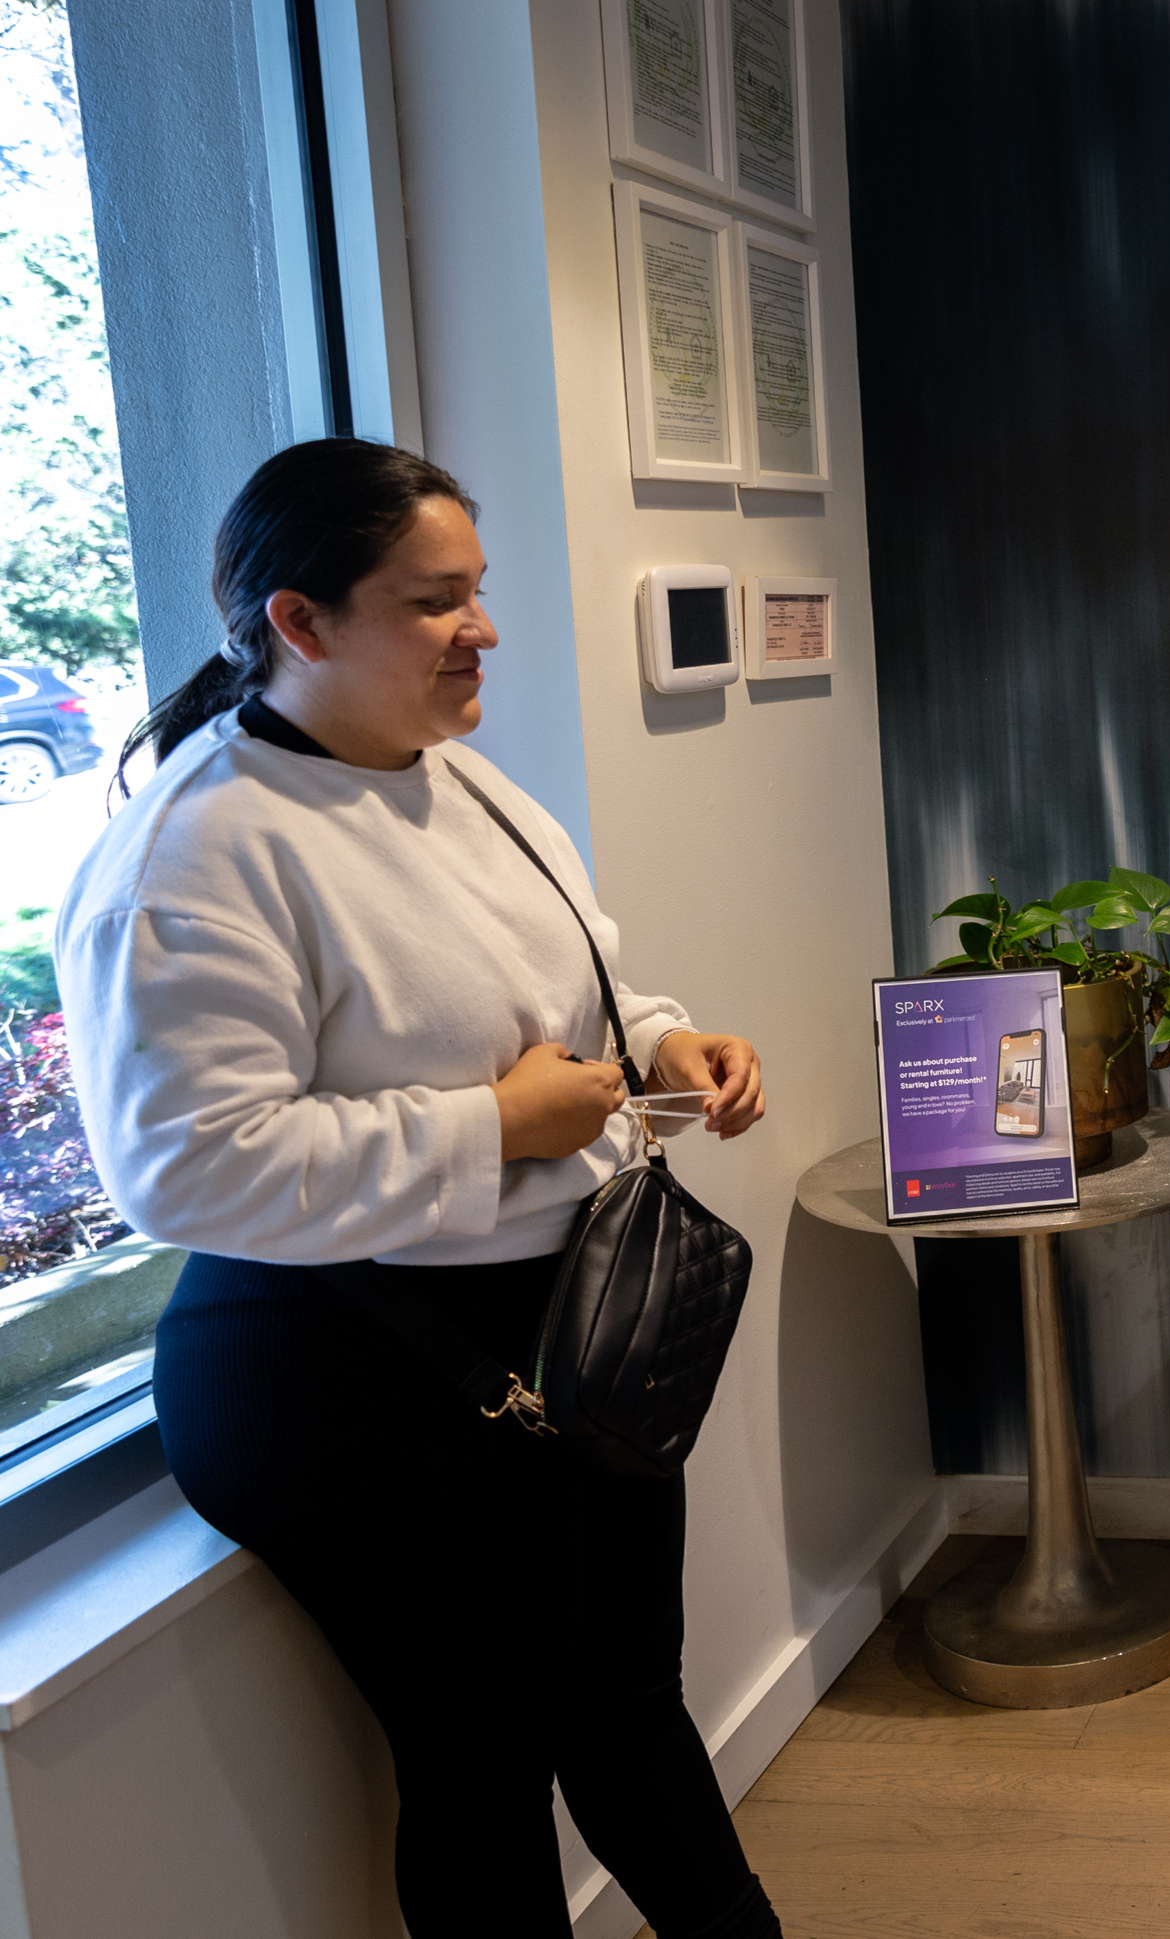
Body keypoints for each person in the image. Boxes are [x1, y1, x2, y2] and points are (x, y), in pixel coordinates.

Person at [55, 440, 782, 1936]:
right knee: (486, 1765)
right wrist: (489, 1127)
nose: (484, 630)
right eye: (435, 599)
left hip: (553, 1328)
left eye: (479, 592)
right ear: (299, 621)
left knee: (630, 1707)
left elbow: (563, 979)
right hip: (354, 1374)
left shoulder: (464, 781)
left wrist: (659, 1036)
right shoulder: (194, 855)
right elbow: (183, 1167)